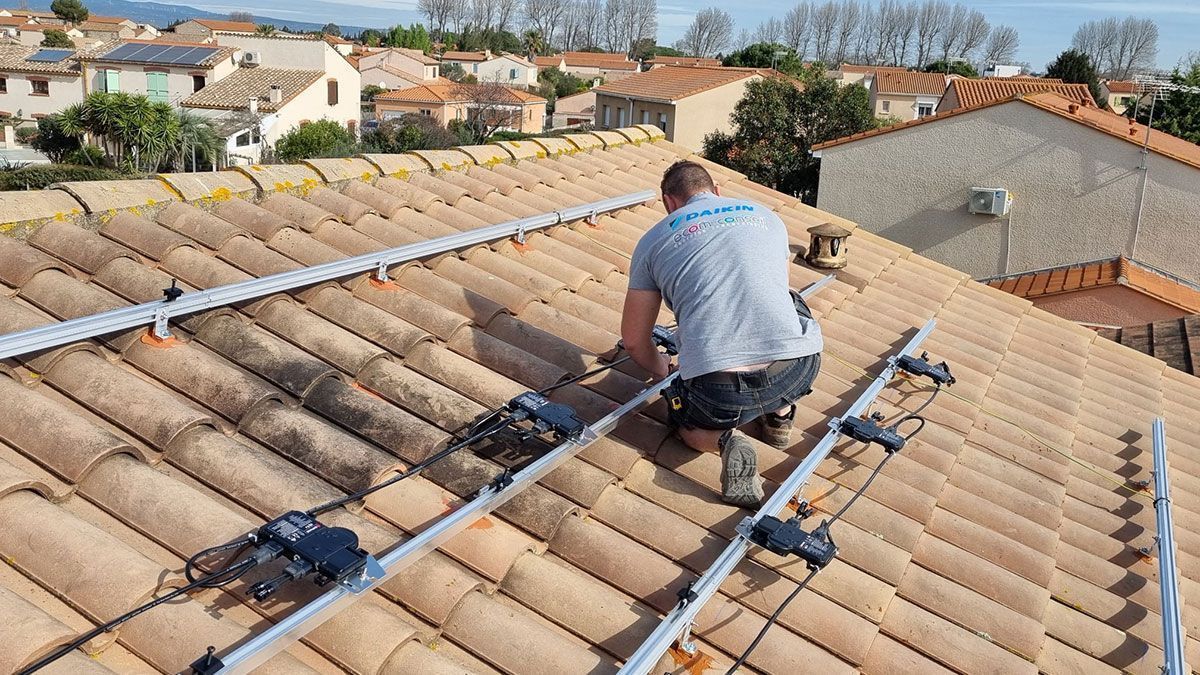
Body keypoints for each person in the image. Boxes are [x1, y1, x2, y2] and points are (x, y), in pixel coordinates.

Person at [620, 161, 823, 507]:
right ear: (716, 191)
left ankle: (725, 441)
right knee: (790, 302)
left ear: (669, 202)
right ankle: (780, 416)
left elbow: (635, 341)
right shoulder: (766, 216)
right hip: (797, 368)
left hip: (719, 393)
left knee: (683, 421)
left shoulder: (653, 240)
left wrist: (662, 368)